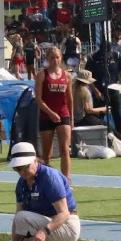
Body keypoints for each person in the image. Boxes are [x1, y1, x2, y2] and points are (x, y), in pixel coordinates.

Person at [6, 142, 80, 241]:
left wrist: (44, 232)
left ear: (35, 161)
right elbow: (17, 221)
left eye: (25, 167)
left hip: (67, 227)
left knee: (22, 217)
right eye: (17, 169)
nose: (21, 172)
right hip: (48, 226)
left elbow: (64, 213)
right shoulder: (21, 184)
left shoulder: (49, 177)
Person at [34, 46, 73, 180]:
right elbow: (38, 99)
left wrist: (71, 119)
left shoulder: (67, 75)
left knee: (65, 149)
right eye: (52, 57)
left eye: (57, 57)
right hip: (46, 116)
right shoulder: (41, 75)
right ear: (47, 59)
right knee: (46, 154)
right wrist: (50, 113)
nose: (55, 60)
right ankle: (46, 179)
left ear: (61, 58)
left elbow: (69, 99)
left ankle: (67, 180)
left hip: (63, 114)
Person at [86, 41, 121, 142]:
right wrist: (96, 91)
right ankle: (98, 138)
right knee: (99, 116)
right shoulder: (93, 58)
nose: (106, 54)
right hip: (99, 91)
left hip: (114, 89)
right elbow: (88, 77)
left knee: (118, 115)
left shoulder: (116, 56)